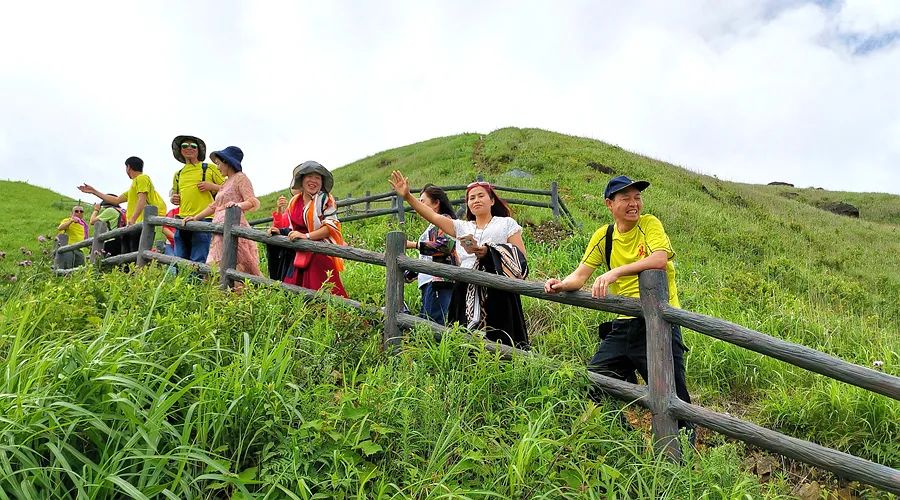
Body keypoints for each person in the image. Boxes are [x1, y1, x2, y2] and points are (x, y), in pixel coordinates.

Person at [543, 175, 693, 432]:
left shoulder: (649, 224)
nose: (634, 203)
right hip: (623, 326)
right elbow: (581, 275)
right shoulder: (605, 235)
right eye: (625, 198)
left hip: (659, 327)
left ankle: (681, 461)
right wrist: (561, 284)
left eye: (637, 197)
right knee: (593, 381)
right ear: (609, 204)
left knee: (674, 396)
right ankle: (627, 439)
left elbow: (659, 259)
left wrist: (615, 272)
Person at [390, 171, 529, 348]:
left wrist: (489, 252)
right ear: (468, 204)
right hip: (465, 287)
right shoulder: (463, 227)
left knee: (501, 338)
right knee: (467, 340)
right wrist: (408, 196)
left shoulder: (506, 224)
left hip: (498, 290)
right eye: (471, 198)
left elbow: (521, 257)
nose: (476, 200)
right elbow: (433, 216)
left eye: (481, 196)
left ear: (492, 200)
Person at [268, 161, 348, 297]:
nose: (313, 181)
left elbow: (330, 227)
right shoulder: (294, 201)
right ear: (302, 180)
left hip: (320, 252)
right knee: (293, 292)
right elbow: (291, 226)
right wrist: (280, 231)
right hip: (299, 253)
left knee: (323, 292)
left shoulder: (324, 199)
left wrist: (307, 236)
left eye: (317, 178)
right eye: (309, 176)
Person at [182, 146, 261, 276]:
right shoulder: (225, 183)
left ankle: (238, 293)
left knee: (237, 262)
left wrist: (236, 205)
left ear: (227, 162)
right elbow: (214, 206)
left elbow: (251, 201)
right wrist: (196, 217)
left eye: (219, 164)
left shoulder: (241, 178)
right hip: (219, 230)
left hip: (234, 226)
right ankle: (222, 293)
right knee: (217, 263)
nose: (217, 168)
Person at [77, 156, 167, 254]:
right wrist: (94, 191)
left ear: (128, 167)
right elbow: (116, 200)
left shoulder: (142, 178)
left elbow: (142, 199)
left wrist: (133, 218)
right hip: (133, 226)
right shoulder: (134, 186)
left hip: (139, 225)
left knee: (136, 257)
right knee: (128, 258)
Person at [404, 185, 459, 325]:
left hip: (439, 281)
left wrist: (413, 244)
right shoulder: (432, 226)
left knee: (432, 323)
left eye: (422, 201)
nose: (418, 205)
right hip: (430, 281)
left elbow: (445, 247)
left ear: (436, 203)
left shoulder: (444, 221)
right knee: (427, 322)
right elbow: (428, 258)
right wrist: (410, 273)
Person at [169, 135, 224, 264]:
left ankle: (196, 283)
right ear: (180, 151)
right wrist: (173, 199)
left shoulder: (209, 168)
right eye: (184, 146)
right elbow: (175, 195)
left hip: (205, 218)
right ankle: (184, 283)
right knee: (180, 258)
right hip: (182, 219)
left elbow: (229, 188)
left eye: (193, 146)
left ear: (198, 150)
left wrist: (212, 186)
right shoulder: (178, 174)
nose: (189, 148)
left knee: (199, 257)